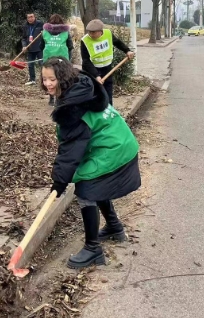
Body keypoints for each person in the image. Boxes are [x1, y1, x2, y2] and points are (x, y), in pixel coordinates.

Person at [41, 58, 140, 268]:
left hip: (115, 149)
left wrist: (59, 182)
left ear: (63, 78)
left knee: (86, 187)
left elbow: (71, 150)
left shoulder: (74, 109)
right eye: (44, 79)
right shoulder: (82, 88)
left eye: (52, 79)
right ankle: (114, 227)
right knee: (96, 183)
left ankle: (93, 249)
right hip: (119, 142)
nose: (47, 83)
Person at [80, 19, 134, 106]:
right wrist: (96, 76)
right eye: (89, 32)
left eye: (93, 32)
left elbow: (117, 43)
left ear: (100, 31)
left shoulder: (108, 34)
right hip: (92, 70)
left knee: (108, 93)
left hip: (107, 69)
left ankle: (109, 110)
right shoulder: (85, 40)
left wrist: (127, 51)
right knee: (95, 94)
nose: (91, 34)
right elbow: (86, 61)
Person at [42, 14, 73, 106]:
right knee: (61, 78)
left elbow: (41, 46)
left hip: (48, 59)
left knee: (49, 79)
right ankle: (60, 99)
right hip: (62, 60)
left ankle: (51, 98)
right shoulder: (65, 32)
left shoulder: (44, 32)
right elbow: (70, 46)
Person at [21, 12, 44, 85]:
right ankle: (32, 80)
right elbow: (24, 38)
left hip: (40, 48)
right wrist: (24, 46)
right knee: (30, 65)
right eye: (28, 17)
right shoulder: (25, 26)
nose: (30, 19)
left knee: (42, 64)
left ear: (34, 17)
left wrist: (44, 33)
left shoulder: (40, 24)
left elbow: (46, 34)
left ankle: (44, 80)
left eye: (31, 17)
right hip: (30, 48)